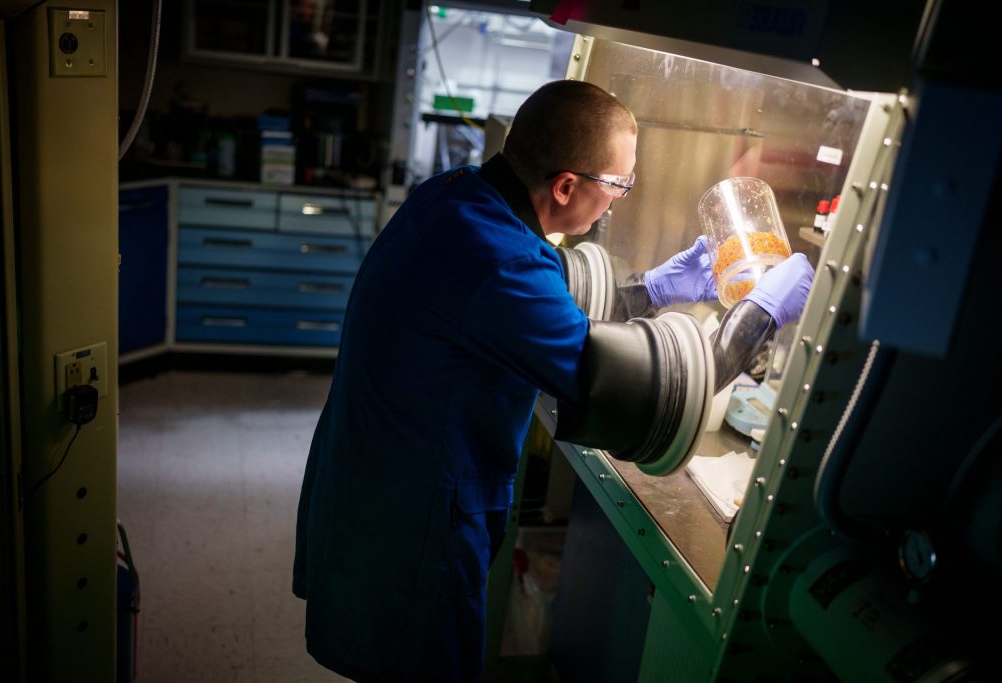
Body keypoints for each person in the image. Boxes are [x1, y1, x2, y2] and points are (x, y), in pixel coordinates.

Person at [293, 80, 813, 682]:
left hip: (375, 480)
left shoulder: (457, 197)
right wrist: (757, 316)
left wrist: (650, 290)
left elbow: (527, 305)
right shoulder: (501, 259)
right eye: (618, 184)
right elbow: (640, 396)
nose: (617, 201)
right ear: (566, 186)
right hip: (415, 519)